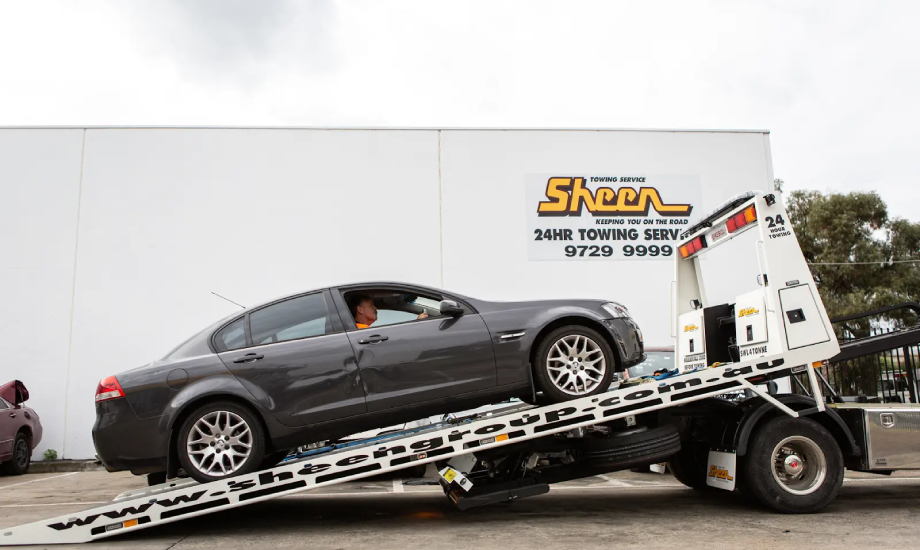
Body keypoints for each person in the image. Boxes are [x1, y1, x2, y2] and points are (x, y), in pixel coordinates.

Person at [353, 294, 428, 329]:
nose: (375, 308)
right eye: (371, 305)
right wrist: (416, 325)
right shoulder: (361, 330)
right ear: (360, 309)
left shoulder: (358, 329)